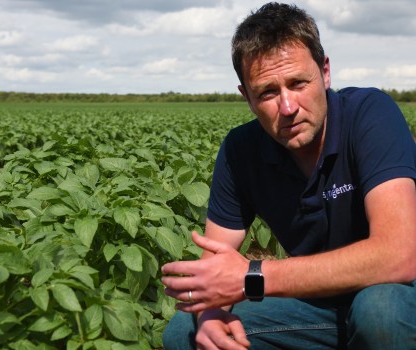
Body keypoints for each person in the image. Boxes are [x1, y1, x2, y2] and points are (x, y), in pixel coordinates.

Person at [161, 2, 416, 349]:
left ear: (325, 72)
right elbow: (216, 259)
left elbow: (399, 255)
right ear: (246, 98)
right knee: (185, 332)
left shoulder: (370, 115)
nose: (287, 107)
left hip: (401, 293)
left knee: (380, 312)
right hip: (319, 303)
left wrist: (253, 277)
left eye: (298, 83)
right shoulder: (241, 151)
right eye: (267, 92)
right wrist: (208, 315)